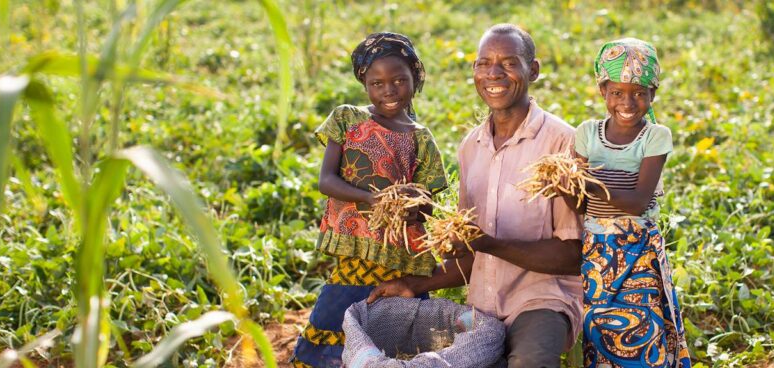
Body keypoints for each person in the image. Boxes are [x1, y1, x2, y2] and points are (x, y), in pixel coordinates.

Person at [367, 24, 584, 368]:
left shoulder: (561, 142)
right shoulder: (472, 146)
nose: (494, 73)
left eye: (509, 63)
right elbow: (470, 256)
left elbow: (573, 256)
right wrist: (411, 284)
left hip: (541, 302)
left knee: (529, 362)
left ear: (534, 70)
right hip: (482, 308)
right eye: (484, 63)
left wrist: (488, 243)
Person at [291, 32, 448, 368]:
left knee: (401, 331)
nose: (388, 91)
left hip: (399, 256)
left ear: (415, 79)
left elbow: (428, 203)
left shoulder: (420, 137)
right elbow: (326, 180)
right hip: (355, 245)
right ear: (365, 84)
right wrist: (373, 199)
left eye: (399, 81)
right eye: (377, 83)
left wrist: (409, 204)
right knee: (338, 313)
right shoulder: (347, 119)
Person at [563, 38, 691, 368]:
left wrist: (590, 183)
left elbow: (637, 202)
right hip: (597, 254)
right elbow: (580, 205)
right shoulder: (587, 133)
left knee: (643, 330)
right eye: (617, 92)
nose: (628, 102)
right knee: (600, 331)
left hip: (640, 251)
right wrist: (561, 186)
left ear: (652, 95)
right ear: (603, 92)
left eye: (638, 93)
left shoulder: (655, 136)